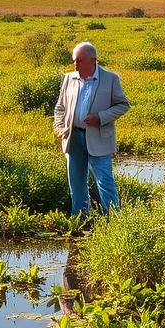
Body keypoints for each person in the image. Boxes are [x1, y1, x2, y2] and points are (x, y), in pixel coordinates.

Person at [53, 42, 130, 216]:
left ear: (93, 60)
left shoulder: (110, 79)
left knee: (104, 182)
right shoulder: (68, 78)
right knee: (76, 182)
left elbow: (123, 105)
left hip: (99, 139)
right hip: (73, 137)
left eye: (79, 60)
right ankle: (80, 217)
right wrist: (60, 129)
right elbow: (60, 107)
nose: (75, 64)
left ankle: (113, 220)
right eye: (74, 60)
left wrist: (100, 117)